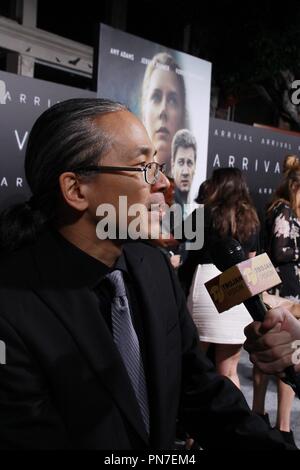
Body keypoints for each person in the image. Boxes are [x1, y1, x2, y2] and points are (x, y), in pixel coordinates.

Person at [0, 98, 292, 450]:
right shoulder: (13, 309)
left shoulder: (152, 267)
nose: (164, 184)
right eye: (144, 167)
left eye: (159, 166)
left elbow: (199, 392)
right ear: (76, 189)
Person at [180, 168, 260, 389]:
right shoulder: (250, 217)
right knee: (229, 370)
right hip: (240, 283)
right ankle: (230, 422)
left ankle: (189, 421)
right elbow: (251, 260)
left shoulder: (205, 212)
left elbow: (174, 237)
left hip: (208, 282)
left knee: (193, 363)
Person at [251, 169, 300, 446]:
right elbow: (282, 250)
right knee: (286, 353)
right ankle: (283, 427)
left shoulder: (272, 208)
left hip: (272, 280)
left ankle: (260, 414)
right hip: (285, 284)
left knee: (268, 349)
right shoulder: (284, 211)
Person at [141, 52, 186, 176]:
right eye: (156, 97)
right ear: (144, 110)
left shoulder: (186, 189)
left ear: (182, 116)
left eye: (172, 100)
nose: (163, 111)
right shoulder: (127, 187)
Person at [171, 129, 197, 217]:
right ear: (172, 165)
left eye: (189, 163)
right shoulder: (165, 208)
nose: (185, 172)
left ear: (195, 166)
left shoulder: (197, 204)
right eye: (181, 163)